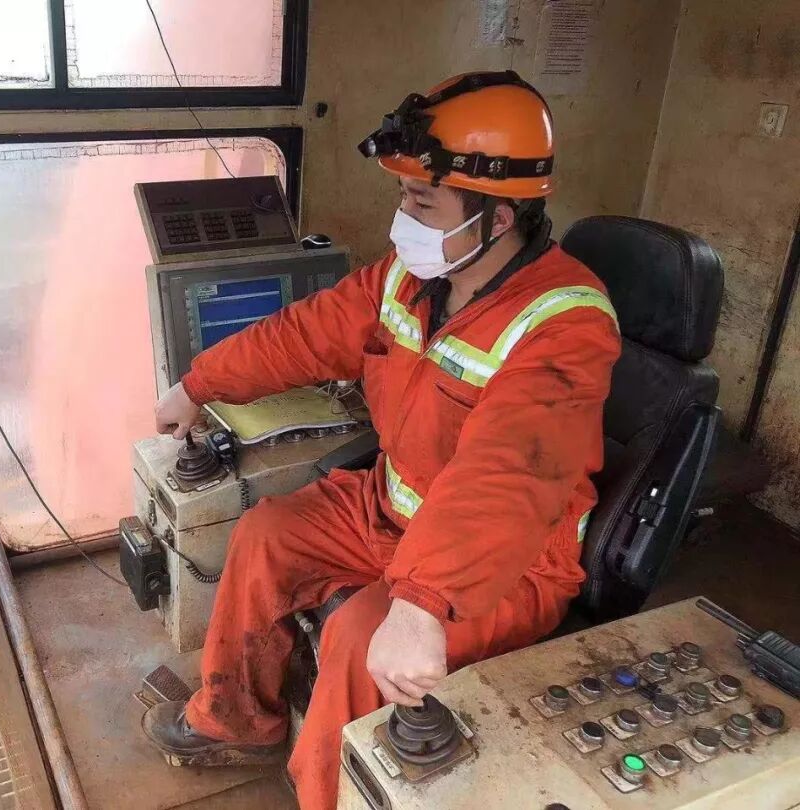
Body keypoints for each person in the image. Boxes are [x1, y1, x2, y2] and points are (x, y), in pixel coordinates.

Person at [141, 70, 621, 810]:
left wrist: (424, 602)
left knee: (362, 638)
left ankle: (323, 795)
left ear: (498, 217)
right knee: (266, 536)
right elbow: (306, 334)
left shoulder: (566, 323)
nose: (404, 218)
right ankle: (236, 720)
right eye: (403, 197)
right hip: (388, 510)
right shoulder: (412, 278)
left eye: (423, 202)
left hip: (503, 561)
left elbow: (508, 474)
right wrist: (199, 384)